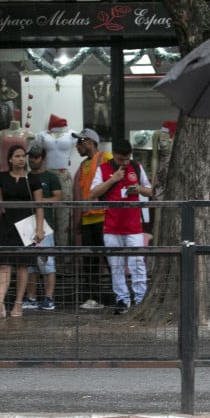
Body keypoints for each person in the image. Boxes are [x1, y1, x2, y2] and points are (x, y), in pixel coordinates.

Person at [0, 144, 45, 318]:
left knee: (23, 265)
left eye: (23, 156)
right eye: (17, 156)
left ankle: (18, 304)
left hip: (26, 225)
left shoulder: (32, 179)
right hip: (7, 224)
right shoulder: (3, 177)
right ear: (10, 159)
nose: (21, 159)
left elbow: (39, 206)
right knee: (5, 265)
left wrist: (39, 228)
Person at [90, 138, 152, 314]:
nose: (124, 163)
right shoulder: (103, 169)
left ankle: (140, 299)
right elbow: (94, 192)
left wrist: (138, 188)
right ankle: (122, 300)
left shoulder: (137, 167)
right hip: (111, 226)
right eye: (120, 160)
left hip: (134, 226)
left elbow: (151, 190)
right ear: (114, 155)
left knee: (137, 263)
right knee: (116, 264)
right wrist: (113, 180)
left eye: (127, 159)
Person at [73, 128, 112, 310]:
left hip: (104, 217)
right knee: (90, 262)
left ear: (89, 141)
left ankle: (117, 296)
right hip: (88, 218)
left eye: (79, 142)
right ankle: (93, 298)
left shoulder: (105, 158)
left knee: (111, 259)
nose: (76, 146)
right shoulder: (82, 166)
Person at [22, 143, 62, 311]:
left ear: (43, 159)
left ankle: (48, 297)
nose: (32, 160)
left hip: (45, 225)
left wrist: (38, 202)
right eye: (30, 157)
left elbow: (58, 198)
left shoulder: (51, 177)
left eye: (36, 157)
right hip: (26, 224)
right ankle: (31, 297)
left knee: (46, 262)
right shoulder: (24, 177)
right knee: (30, 263)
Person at [33, 114, 75, 247]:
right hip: (47, 175)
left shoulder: (72, 134)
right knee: (45, 213)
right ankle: (47, 252)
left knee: (64, 215)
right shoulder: (41, 135)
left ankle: (64, 258)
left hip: (64, 177)